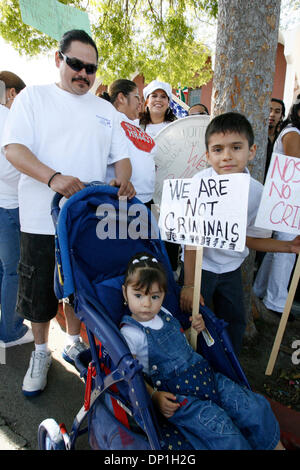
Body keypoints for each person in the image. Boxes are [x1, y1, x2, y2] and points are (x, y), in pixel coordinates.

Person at [2, 29, 135, 396]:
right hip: (40, 221)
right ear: (58, 59)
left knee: (80, 291)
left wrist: (123, 181)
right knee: (39, 293)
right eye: (76, 64)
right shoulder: (33, 99)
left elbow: (121, 159)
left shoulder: (105, 109)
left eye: (91, 68)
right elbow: (13, 150)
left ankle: (75, 342)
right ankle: (42, 352)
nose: (84, 74)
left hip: (87, 223)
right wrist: (54, 178)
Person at [120, 253, 284, 450]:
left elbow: (180, 342)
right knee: (223, 432)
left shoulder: (164, 313)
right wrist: (154, 395)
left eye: (155, 296)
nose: (146, 304)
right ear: (125, 293)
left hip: (204, 375)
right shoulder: (130, 332)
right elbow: (132, 374)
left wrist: (194, 330)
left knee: (254, 408)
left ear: (163, 295)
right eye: (138, 295)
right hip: (179, 395)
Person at [180, 112, 300, 355]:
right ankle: (190, 367)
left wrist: (289, 247)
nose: (227, 156)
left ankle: (229, 368)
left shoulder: (257, 192)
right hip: (199, 267)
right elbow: (191, 239)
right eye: (218, 149)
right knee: (191, 319)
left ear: (252, 150)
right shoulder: (198, 183)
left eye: (236, 147)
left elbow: (249, 238)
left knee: (235, 321)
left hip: (232, 269)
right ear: (207, 155)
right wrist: (190, 284)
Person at [253, 97, 300, 320]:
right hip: (287, 200)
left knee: (278, 251)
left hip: (287, 200)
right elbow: (295, 165)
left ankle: (261, 291)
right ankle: (276, 301)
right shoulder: (292, 133)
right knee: (288, 250)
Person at [0, 71, 34, 347]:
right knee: (13, 270)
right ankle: (10, 330)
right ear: (11, 93)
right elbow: (9, 168)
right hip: (9, 204)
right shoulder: (6, 118)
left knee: (4, 270)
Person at [102, 79, 156, 207]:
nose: (140, 103)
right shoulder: (109, 121)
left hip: (147, 200)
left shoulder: (138, 127)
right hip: (122, 200)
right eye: (137, 97)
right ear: (121, 98)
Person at [264, 98, 285, 181]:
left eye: (277, 111)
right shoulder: (255, 137)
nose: (272, 114)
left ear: (281, 116)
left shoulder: (282, 138)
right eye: (269, 110)